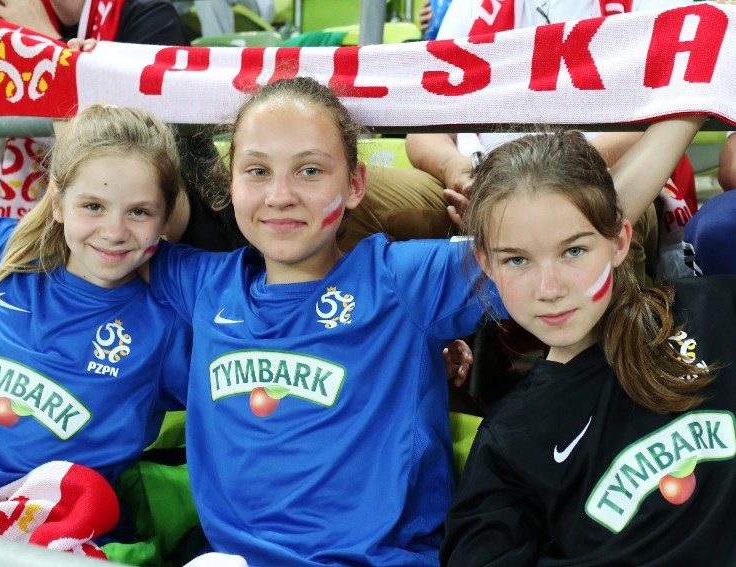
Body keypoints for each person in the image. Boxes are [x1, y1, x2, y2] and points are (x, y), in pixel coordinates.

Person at [143, 76, 498, 566]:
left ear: (355, 184)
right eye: (257, 171)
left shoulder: (402, 281)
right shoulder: (199, 283)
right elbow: (91, 225)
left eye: (309, 171)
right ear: (230, 184)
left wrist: (647, 119)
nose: (280, 195)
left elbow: (566, 245)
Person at [0, 8, 191, 526]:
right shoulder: (3, 254)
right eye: (92, 206)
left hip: (51, 541)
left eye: (139, 212)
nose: (114, 231)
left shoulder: (166, 320)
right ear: (57, 203)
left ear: (165, 220)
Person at [440, 113, 736, 565]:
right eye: (517, 260)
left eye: (574, 250)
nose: (550, 288)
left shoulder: (715, 311)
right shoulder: (510, 437)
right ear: (486, 264)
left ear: (619, 243)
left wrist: (695, 102)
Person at [0, 0, 190, 356]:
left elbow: (149, 152)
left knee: (135, 203)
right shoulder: (0, 11)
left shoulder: (148, 14)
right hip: (29, 189)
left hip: (122, 203)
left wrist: (44, 49)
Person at [407, 0, 696, 285]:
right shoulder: (468, 6)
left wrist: (556, 173)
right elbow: (422, 128)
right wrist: (455, 170)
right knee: (382, 204)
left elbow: (666, 113)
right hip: (477, 180)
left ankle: (611, 331)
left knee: (606, 210)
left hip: (598, 174)